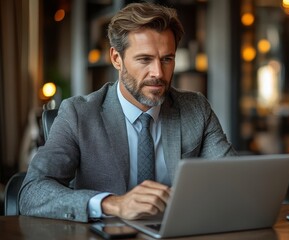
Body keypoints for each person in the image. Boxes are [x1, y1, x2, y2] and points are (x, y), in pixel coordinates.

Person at [19, 2, 235, 222]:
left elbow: (234, 180)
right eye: (144, 59)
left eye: (167, 59)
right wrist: (112, 204)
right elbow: (32, 192)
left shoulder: (196, 109)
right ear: (116, 59)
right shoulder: (78, 113)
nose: (158, 73)